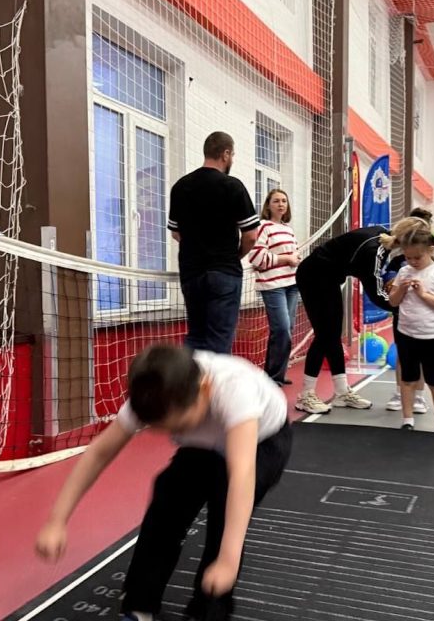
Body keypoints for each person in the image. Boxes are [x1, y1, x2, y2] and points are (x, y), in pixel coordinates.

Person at [35, 344, 292, 621]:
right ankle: (139, 605)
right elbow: (98, 453)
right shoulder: (150, 396)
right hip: (205, 445)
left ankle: (208, 611)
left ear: (204, 390)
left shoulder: (235, 390)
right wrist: (56, 520)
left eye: (178, 426)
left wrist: (228, 560)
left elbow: (242, 475)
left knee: (224, 509)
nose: (173, 433)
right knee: (166, 504)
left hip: (262, 441)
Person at [169, 132, 260, 354]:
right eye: (232, 155)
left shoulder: (180, 187)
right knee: (219, 341)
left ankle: (188, 377)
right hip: (224, 272)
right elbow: (251, 236)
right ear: (225, 154)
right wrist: (236, 255)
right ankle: (214, 378)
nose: (232, 159)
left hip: (191, 272)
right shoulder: (233, 186)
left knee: (196, 336)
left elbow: (176, 233)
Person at [293, 226, 396, 414]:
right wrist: (399, 308)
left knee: (333, 335)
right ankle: (305, 396)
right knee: (324, 335)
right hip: (313, 276)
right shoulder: (374, 250)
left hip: (329, 278)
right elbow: (376, 293)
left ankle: (341, 392)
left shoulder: (382, 235)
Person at [387, 226, 434, 433]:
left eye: (417, 257)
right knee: (408, 379)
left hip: (432, 336)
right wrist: (401, 288)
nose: (412, 262)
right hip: (407, 334)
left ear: (431, 250)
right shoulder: (404, 271)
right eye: (408, 257)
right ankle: (407, 419)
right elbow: (393, 302)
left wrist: (424, 295)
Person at [382, 209, 434, 413]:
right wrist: (397, 286)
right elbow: (391, 289)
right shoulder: (398, 263)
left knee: (421, 359)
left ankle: (419, 397)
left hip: (427, 319)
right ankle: (399, 393)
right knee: (403, 356)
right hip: (403, 318)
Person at [247, 189, 300, 386]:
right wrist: (286, 259)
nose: (281, 204)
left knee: (287, 330)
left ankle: (276, 374)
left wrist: (295, 259)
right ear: (268, 205)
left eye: (284, 201)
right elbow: (256, 257)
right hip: (272, 286)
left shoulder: (288, 229)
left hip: (291, 285)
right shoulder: (263, 226)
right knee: (282, 329)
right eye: (276, 201)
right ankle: (272, 377)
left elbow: (294, 256)